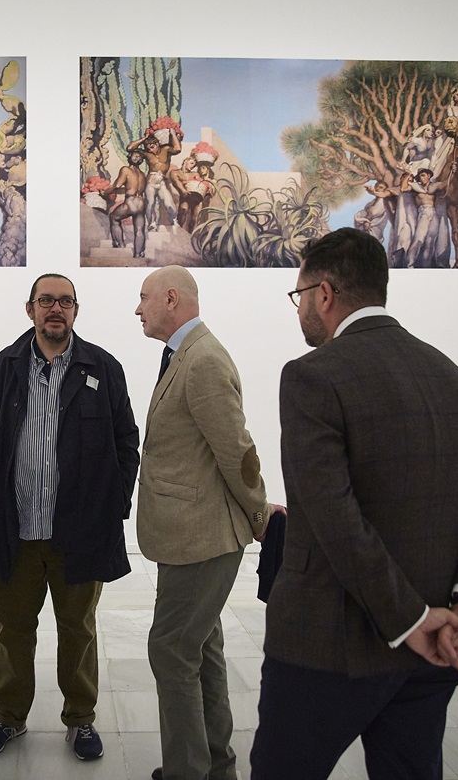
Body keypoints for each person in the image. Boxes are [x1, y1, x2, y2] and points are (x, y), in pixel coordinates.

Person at [249, 228, 458, 780]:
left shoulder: (312, 377)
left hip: (329, 647)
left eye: (298, 295)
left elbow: (332, 516)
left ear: (323, 294)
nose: (298, 308)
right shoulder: (456, 380)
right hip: (436, 650)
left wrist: (411, 619)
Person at [0, 273, 139, 761]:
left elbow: (127, 441)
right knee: (13, 629)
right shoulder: (3, 367)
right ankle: (8, 716)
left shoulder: (102, 368)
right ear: (30, 310)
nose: (55, 309)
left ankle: (80, 719)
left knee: (78, 630)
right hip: (16, 529)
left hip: (78, 532)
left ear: (76, 311)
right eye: (46, 300)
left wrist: (114, 502)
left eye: (65, 301)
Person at [134, 265, 275, 780]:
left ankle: (187, 772)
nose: (138, 308)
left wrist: (260, 514)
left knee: (170, 651)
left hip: (202, 539)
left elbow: (237, 452)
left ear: (172, 299)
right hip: (192, 536)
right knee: (200, 650)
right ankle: (215, 768)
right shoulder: (186, 356)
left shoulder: (203, 360)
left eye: (144, 297)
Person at [104, 150, 148, 257]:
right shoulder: (142, 174)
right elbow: (133, 188)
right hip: (141, 202)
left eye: (138, 156)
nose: (137, 158)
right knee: (139, 229)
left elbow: (117, 185)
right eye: (135, 156)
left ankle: (120, 244)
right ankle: (138, 253)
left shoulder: (126, 170)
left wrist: (105, 192)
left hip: (131, 201)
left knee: (114, 217)